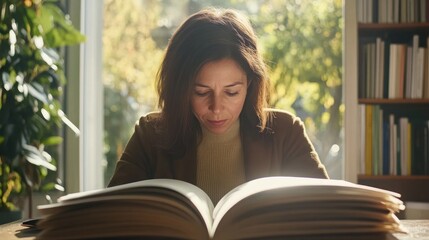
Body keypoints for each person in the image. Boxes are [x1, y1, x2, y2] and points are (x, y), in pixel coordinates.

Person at [108, 7, 329, 204]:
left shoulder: (285, 132)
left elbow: (328, 212)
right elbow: (111, 217)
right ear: (180, 89)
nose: (216, 108)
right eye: (201, 92)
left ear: (250, 84)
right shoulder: (150, 136)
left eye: (231, 92)